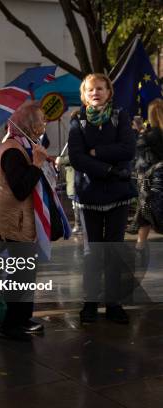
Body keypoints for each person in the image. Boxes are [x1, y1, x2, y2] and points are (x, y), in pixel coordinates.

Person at [0, 100, 69, 341]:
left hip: (20, 221)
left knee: (25, 274)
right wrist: (36, 164)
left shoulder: (22, 146)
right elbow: (21, 189)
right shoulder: (13, 150)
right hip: (17, 223)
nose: (44, 123)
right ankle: (9, 325)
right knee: (19, 277)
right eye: (40, 120)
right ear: (28, 123)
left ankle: (22, 319)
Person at [68, 73, 137, 324]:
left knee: (114, 249)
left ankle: (114, 303)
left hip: (118, 193)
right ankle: (89, 303)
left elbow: (128, 148)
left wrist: (96, 152)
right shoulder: (78, 121)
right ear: (84, 96)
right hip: (89, 194)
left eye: (100, 88)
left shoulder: (121, 117)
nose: (95, 93)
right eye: (90, 90)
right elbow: (77, 157)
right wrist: (108, 168)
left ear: (109, 92)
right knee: (92, 251)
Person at [134, 99, 163, 262]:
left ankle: (140, 247)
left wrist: (140, 133)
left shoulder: (148, 136)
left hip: (153, 180)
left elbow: (140, 160)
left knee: (145, 214)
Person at [56, 144, 82, 233]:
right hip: (73, 184)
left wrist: (60, 160)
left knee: (77, 206)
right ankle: (78, 225)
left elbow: (70, 158)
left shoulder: (77, 152)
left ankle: (79, 225)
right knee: (75, 205)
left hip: (77, 184)